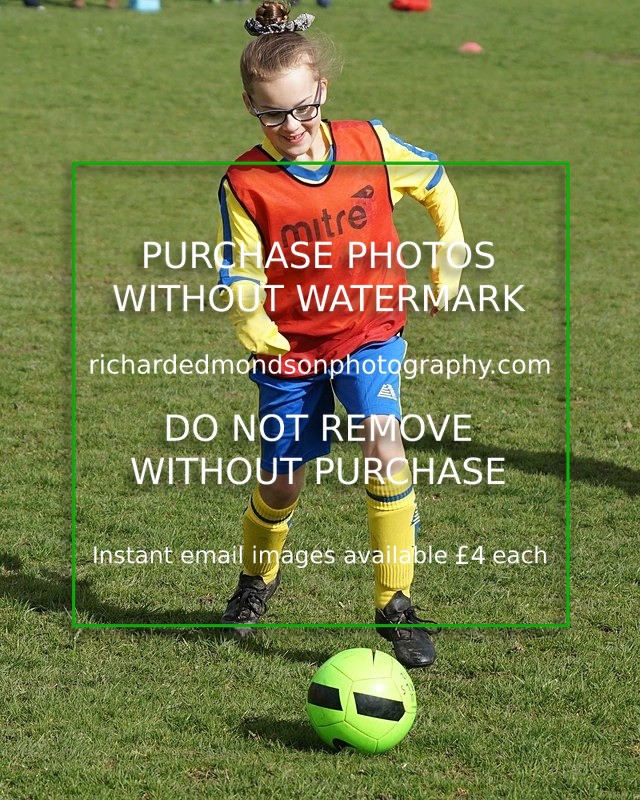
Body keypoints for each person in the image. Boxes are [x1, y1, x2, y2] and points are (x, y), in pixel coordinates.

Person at [215, 0, 464, 668]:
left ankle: (396, 605)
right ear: (249, 104)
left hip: (369, 332)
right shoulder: (245, 181)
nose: (291, 127)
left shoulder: (369, 145)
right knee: (282, 485)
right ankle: (254, 581)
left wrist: (450, 251)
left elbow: (436, 181)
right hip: (291, 351)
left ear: (321, 90)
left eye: (303, 109)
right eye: (272, 114)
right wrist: (250, 313)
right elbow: (239, 265)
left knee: (385, 447)